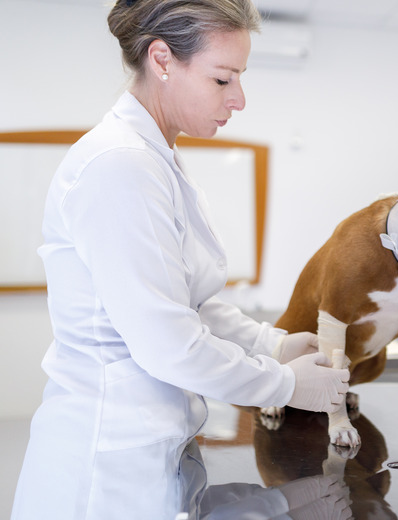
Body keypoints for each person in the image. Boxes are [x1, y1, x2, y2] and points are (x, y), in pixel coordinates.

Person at [11, 1, 350, 519]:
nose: (238, 99)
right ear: (163, 59)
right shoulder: (118, 167)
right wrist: (286, 384)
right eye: (222, 79)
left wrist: (272, 344)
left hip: (153, 448)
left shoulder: (155, 160)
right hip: (106, 472)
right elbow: (168, 342)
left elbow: (187, 301)